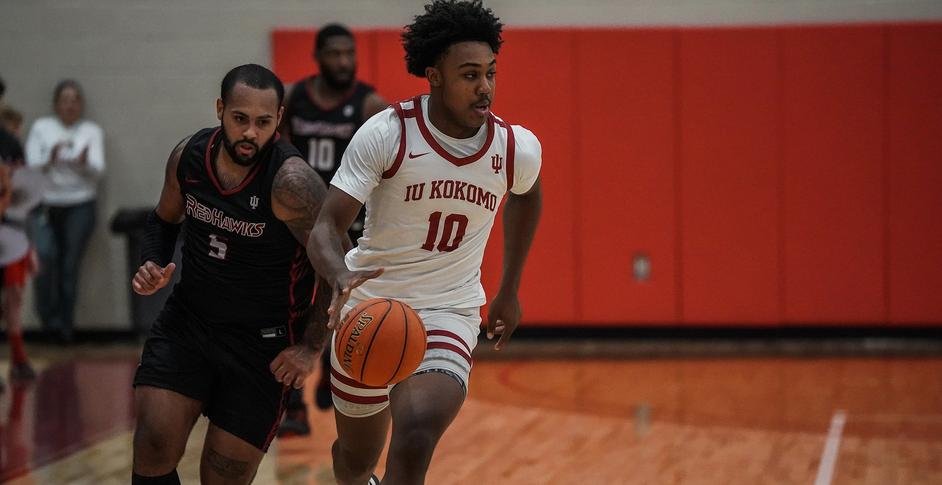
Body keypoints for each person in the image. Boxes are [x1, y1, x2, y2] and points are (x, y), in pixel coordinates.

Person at [307, 1, 543, 483]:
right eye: (470, 75)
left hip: (448, 311)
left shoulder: (514, 147)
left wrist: (509, 289)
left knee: (416, 431)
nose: (485, 88)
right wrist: (339, 275)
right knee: (353, 461)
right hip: (371, 307)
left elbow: (527, 197)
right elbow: (325, 227)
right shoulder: (387, 134)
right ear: (434, 76)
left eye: (491, 74)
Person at [130, 64, 331, 485]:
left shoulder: (292, 183)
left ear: (279, 119)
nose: (250, 134)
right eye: (240, 119)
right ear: (221, 109)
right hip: (189, 324)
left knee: (221, 478)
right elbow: (163, 221)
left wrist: (311, 349)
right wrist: (152, 262)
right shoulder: (188, 157)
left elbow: (335, 269)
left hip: (262, 347)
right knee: (152, 444)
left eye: (263, 122)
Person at [278, 22, 388, 436]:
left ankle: (329, 368)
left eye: (350, 54)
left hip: (348, 222)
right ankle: (292, 406)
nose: (344, 61)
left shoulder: (369, 104)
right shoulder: (295, 98)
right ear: (318, 56)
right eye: (335, 54)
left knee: (338, 302)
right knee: (291, 304)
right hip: (300, 219)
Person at [24, 79, 104, 343]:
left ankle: (65, 328)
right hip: (45, 205)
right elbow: (30, 168)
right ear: (56, 104)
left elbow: (98, 169)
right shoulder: (42, 128)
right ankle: (49, 319)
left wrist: (81, 164)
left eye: (75, 100)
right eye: (65, 100)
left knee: (69, 266)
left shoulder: (90, 130)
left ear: (80, 104)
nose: (70, 105)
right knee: (45, 258)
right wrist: (50, 159)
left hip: (80, 204)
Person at [0, 78, 36, 390]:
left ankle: (19, 357)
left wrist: (30, 245)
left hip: (9, 230)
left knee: (14, 296)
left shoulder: (10, 144)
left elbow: (25, 196)